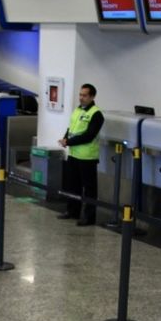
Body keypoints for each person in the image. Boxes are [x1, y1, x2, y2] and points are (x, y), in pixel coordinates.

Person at [57, 83, 105, 226]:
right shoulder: (78, 110)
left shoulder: (96, 114)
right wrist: (66, 139)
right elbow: (71, 127)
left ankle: (89, 217)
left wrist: (69, 141)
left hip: (87, 157)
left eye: (84, 95)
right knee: (73, 186)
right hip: (74, 154)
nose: (81, 98)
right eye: (80, 94)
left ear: (92, 96)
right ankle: (72, 211)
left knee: (89, 189)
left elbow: (89, 136)